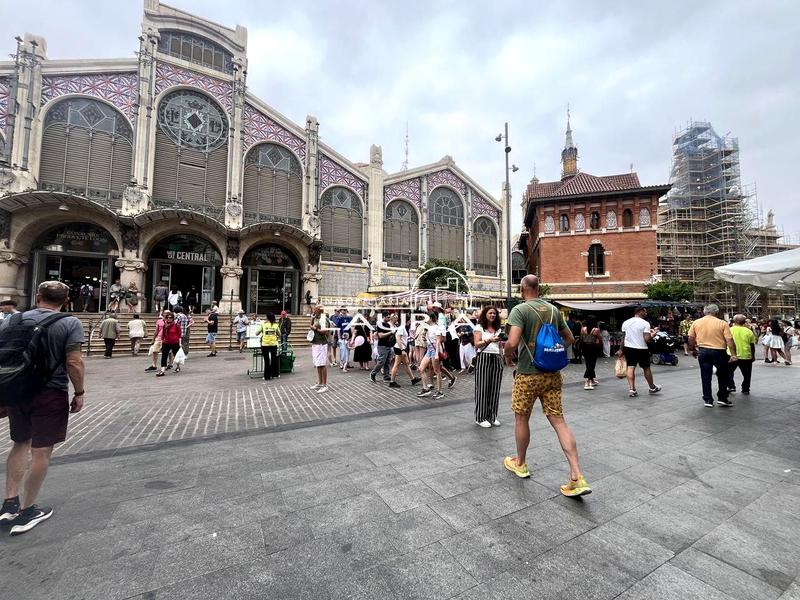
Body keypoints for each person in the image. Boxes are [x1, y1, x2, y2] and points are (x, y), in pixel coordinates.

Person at [0, 281, 85, 535]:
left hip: (17, 389)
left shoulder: (11, 321)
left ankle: (9, 503)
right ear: (66, 300)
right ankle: (27, 511)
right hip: (50, 391)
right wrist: (79, 392)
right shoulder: (70, 322)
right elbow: (74, 361)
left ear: (37, 296)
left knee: (20, 443)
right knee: (41, 451)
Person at [502, 275, 591, 497]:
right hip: (552, 375)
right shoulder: (553, 310)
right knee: (559, 422)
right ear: (539, 288)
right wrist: (551, 348)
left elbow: (512, 343)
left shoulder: (520, 310)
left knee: (522, 418)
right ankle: (576, 475)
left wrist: (507, 355)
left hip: (528, 374)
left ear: (523, 289)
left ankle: (520, 463)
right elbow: (570, 338)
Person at [687, 304, 737, 408]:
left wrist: (691, 350)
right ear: (716, 312)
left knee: (705, 375)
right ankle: (722, 398)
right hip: (719, 351)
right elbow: (729, 340)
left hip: (703, 351)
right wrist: (733, 354)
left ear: (705, 312)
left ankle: (708, 399)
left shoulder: (696, 322)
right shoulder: (722, 323)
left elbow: (691, 337)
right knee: (723, 375)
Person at [617, 306, 662, 398]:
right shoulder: (645, 323)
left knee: (630, 367)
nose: (646, 314)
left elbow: (623, 337)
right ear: (640, 312)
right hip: (642, 348)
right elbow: (647, 339)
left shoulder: (626, 322)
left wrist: (621, 349)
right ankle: (652, 387)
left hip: (629, 348)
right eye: (645, 312)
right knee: (646, 368)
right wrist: (653, 334)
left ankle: (632, 390)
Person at [473, 306, 504, 427]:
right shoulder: (479, 327)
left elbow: (500, 346)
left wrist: (502, 358)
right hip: (484, 357)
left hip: (496, 357)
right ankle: (480, 417)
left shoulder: (498, 329)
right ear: (485, 314)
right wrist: (489, 340)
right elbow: (477, 344)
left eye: (494, 314)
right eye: (490, 313)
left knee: (495, 388)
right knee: (482, 387)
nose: (492, 315)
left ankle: (492, 416)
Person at [416, 311, 444, 399]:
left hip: (435, 349)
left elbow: (438, 340)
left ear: (431, 318)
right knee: (421, 368)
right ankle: (425, 388)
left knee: (437, 370)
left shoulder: (437, 328)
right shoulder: (427, 328)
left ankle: (440, 391)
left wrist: (436, 354)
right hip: (429, 349)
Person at [388, 313, 420, 388]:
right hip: (400, 348)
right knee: (397, 365)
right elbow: (398, 339)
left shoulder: (402, 327)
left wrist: (410, 338)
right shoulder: (402, 328)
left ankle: (413, 379)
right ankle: (392, 382)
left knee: (406, 363)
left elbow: (402, 339)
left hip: (401, 347)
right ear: (408, 320)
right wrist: (402, 349)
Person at [429, 302, 457, 388]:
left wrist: (439, 341)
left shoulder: (441, 317)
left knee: (436, 367)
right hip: (436, 342)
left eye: (434, 307)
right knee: (436, 366)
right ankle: (433, 383)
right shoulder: (441, 316)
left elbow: (442, 330)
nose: (433, 309)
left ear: (437, 308)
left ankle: (436, 386)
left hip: (438, 342)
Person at [728, 314, 756, 395]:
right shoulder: (748, 331)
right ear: (744, 322)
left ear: (734, 321)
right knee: (747, 374)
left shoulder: (730, 330)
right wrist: (753, 356)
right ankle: (746, 388)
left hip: (731, 355)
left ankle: (731, 385)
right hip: (746, 355)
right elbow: (752, 345)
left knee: (729, 372)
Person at [309, 304, 331, 392]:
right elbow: (311, 326)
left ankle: (325, 385)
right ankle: (320, 382)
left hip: (321, 344)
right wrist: (312, 319)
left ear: (320, 310)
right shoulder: (316, 318)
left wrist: (315, 329)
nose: (313, 310)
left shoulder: (323, 319)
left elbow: (325, 331)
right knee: (318, 364)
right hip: (316, 343)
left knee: (322, 364)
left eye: (315, 309)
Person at [370, 312, 395, 383]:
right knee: (381, 361)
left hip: (388, 345)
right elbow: (380, 335)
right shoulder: (380, 325)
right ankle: (373, 373)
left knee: (387, 362)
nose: (389, 318)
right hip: (382, 345)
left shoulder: (388, 325)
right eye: (388, 317)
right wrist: (390, 332)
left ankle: (386, 376)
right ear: (384, 317)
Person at [156, 311, 182, 376]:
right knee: (164, 356)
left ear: (173, 318)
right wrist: (162, 342)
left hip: (175, 343)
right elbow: (163, 335)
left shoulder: (176, 325)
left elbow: (179, 334)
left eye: (170, 317)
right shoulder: (165, 325)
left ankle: (178, 366)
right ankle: (162, 371)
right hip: (166, 342)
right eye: (167, 317)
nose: (169, 319)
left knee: (176, 355)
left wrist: (180, 343)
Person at [580, 315, 603, 390]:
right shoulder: (596, 329)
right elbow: (600, 339)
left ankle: (592, 380)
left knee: (588, 363)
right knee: (592, 364)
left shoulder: (583, 329)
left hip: (584, 347)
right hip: (593, 347)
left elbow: (582, 337)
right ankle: (587, 381)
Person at [258, 312, 280, 381]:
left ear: (267, 318)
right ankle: (274, 374)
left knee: (266, 360)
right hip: (273, 344)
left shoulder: (263, 325)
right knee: (274, 359)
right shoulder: (276, 325)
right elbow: (279, 334)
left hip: (265, 344)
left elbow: (257, 333)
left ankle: (267, 376)